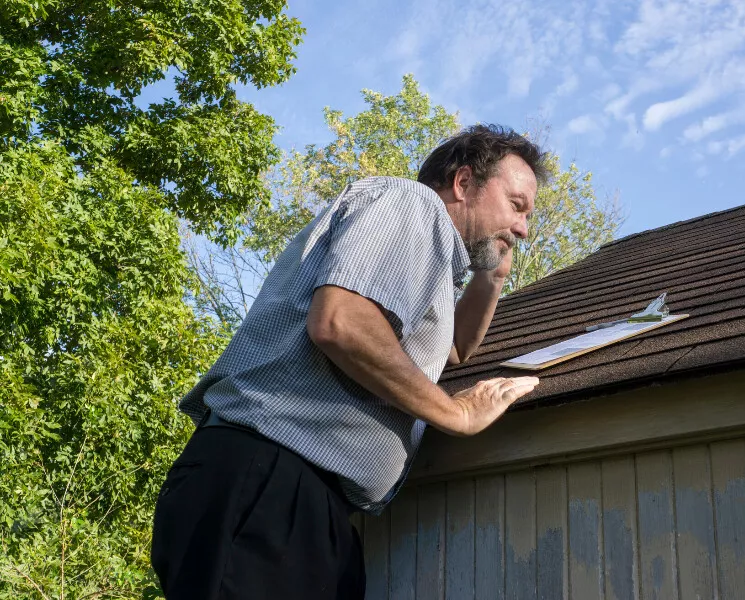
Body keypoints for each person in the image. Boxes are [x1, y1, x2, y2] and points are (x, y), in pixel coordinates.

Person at [151, 124, 547, 598]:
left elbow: (455, 349)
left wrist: (492, 279)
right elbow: (342, 323)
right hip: (269, 483)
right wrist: (455, 413)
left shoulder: (432, 260)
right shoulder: (411, 205)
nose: (523, 228)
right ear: (463, 184)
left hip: (307, 503)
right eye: (517, 206)